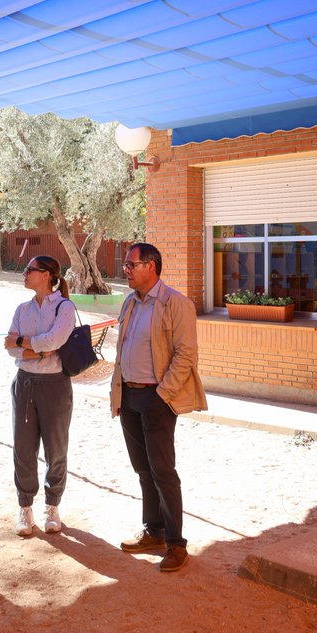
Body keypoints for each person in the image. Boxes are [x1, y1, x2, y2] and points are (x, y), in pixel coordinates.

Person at [110, 243, 207, 573]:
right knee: (143, 470)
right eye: (126, 264)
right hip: (129, 398)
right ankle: (153, 532)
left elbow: (186, 355)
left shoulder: (176, 303)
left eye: (131, 264)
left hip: (156, 399)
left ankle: (177, 545)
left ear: (150, 266)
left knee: (163, 472)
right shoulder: (130, 302)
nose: (126, 269)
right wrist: (119, 392)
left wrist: (162, 394)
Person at [4, 256, 76, 537]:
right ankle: (25, 508)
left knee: (56, 449)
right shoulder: (22, 309)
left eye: (29, 270)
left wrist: (25, 343)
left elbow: (54, 341)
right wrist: (39, 350)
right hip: (24, 383)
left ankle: (52, 506)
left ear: (46, 275)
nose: (24, 274)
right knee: (23, 448)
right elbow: (10, 348)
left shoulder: (64, 307)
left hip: (55, 385)